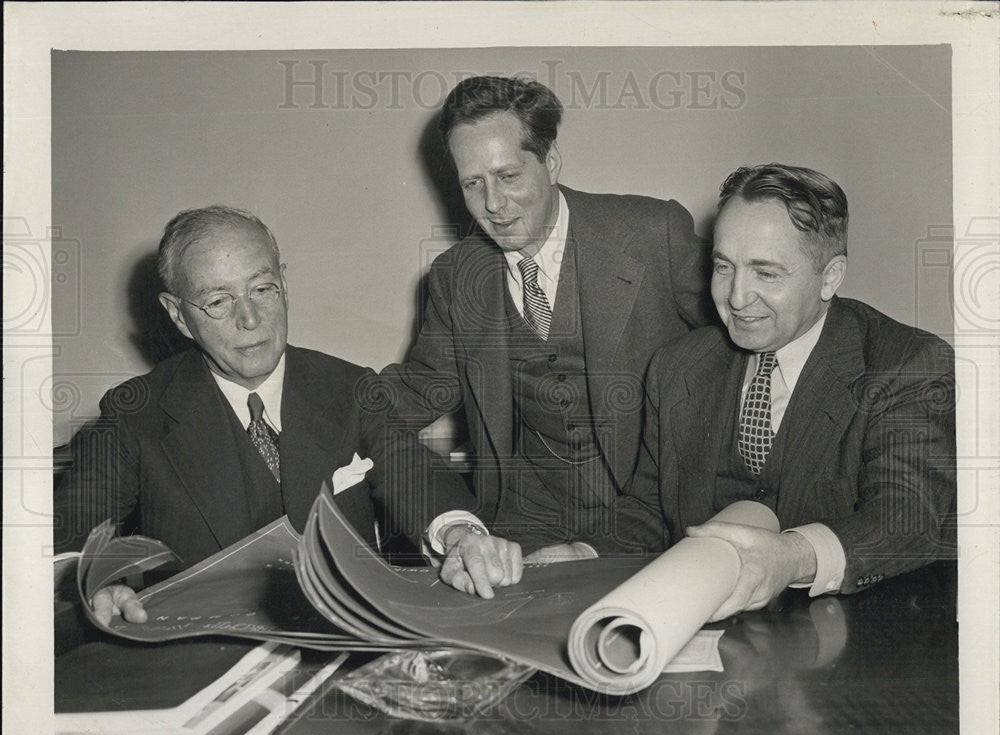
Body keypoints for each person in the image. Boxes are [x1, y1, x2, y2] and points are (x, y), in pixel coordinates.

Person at [55, 206, 476, 624]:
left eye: (262, 289)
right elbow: (71, 527)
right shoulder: (136, 412)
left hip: (342, 641)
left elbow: (413, 471)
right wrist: (93, 580)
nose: (250, 319)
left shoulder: (351, 387)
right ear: (179, 315)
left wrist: (459, 534)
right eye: (219, 301)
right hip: (202, 646)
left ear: (284, 286)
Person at [378, 75, 712, 598]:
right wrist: (298, 393)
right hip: (520, 533)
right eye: (472, 184)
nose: (493, 204)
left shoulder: (653, 235)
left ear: (550, 160)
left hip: (656, 526)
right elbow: (410, 396)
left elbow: (738, 360)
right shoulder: (453, 276)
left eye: (508, 175)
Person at [618, 163, 956, 620]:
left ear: (830, 276)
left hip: (857, 639)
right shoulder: (677, 366)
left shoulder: (907, 364)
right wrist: (580, 551)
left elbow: (904, 518)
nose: (736, 297)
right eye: (724, 267)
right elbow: (647, 511)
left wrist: (791, 557)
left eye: (767, 273)